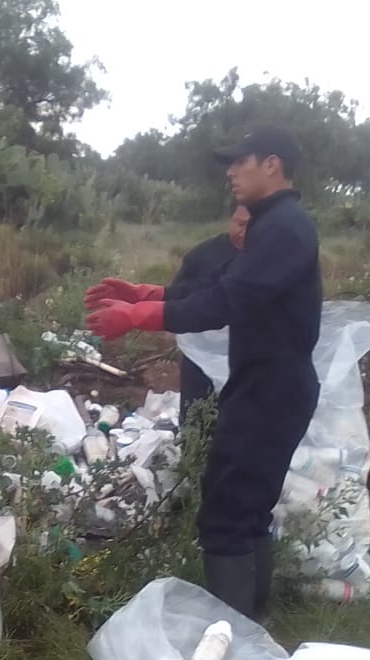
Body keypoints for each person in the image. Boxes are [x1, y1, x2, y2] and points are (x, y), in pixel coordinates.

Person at [85, 126, 321, 620]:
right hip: (266, 384)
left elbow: (228, 301)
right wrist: (144, 295)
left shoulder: (284, 228)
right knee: (248, 511)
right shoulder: (273, 224)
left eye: (241, 162)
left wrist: (138, 318)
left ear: (272, 163)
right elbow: (222, 284)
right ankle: (251, 628)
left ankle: (231, 644)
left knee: (227, 516)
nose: (231, 172)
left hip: (270, 390)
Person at [84, 205, 249, 425]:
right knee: (195, 421)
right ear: (229, 219)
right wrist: (145, 295)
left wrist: (137, 315)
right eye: (240, 224)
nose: (245, 232)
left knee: (239, 426)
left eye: (253, 226)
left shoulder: (269, 263)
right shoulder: (203, 255)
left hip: (250, 361)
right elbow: (191, 294)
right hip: (199, 357)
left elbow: (217, 304)